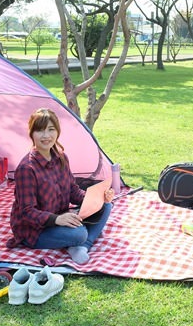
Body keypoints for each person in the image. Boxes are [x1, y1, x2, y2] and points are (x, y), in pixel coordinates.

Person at [7, 108, 114, 264]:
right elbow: (27, 212)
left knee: (106, 206)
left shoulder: (61, 158)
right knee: (79, 234)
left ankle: (81, 247)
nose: (46, 136)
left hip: (59, 217)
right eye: (40, 131)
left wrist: (96, 198)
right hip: (34, 230)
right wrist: (57, 219)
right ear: (31, 134)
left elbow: (73, 191)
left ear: (57, 132)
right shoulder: (26, 169)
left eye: (51, 130)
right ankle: (83, 241)